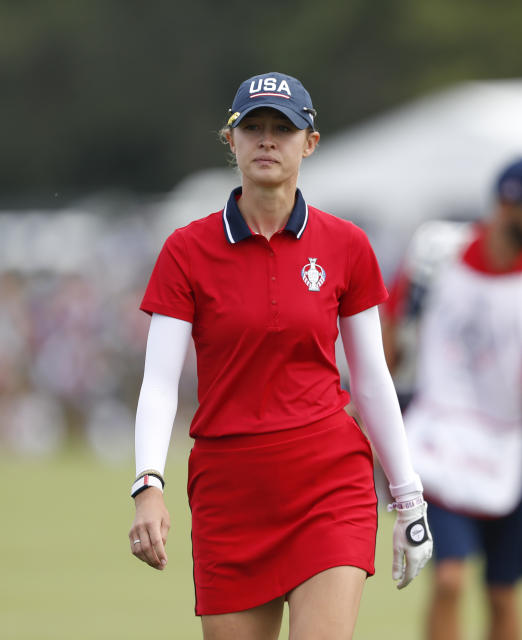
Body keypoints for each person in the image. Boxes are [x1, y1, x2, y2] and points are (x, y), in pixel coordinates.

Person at [127, 71, 432, 640]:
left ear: (309, 143)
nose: (268, 140)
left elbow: (371, 379)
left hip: (328, 481)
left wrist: (408, 496)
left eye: (283, 129)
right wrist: (149, 484)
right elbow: (159, 384)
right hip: (230, 491)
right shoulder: (186, 250)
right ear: (232, 139)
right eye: (255, 128)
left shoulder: (346, 245)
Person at [381, 157, 522, 640]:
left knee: (503, 589)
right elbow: (390, 340)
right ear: (504, 206)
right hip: (437, 435)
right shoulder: (437, 257)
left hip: (515, 442)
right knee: (450, 578)